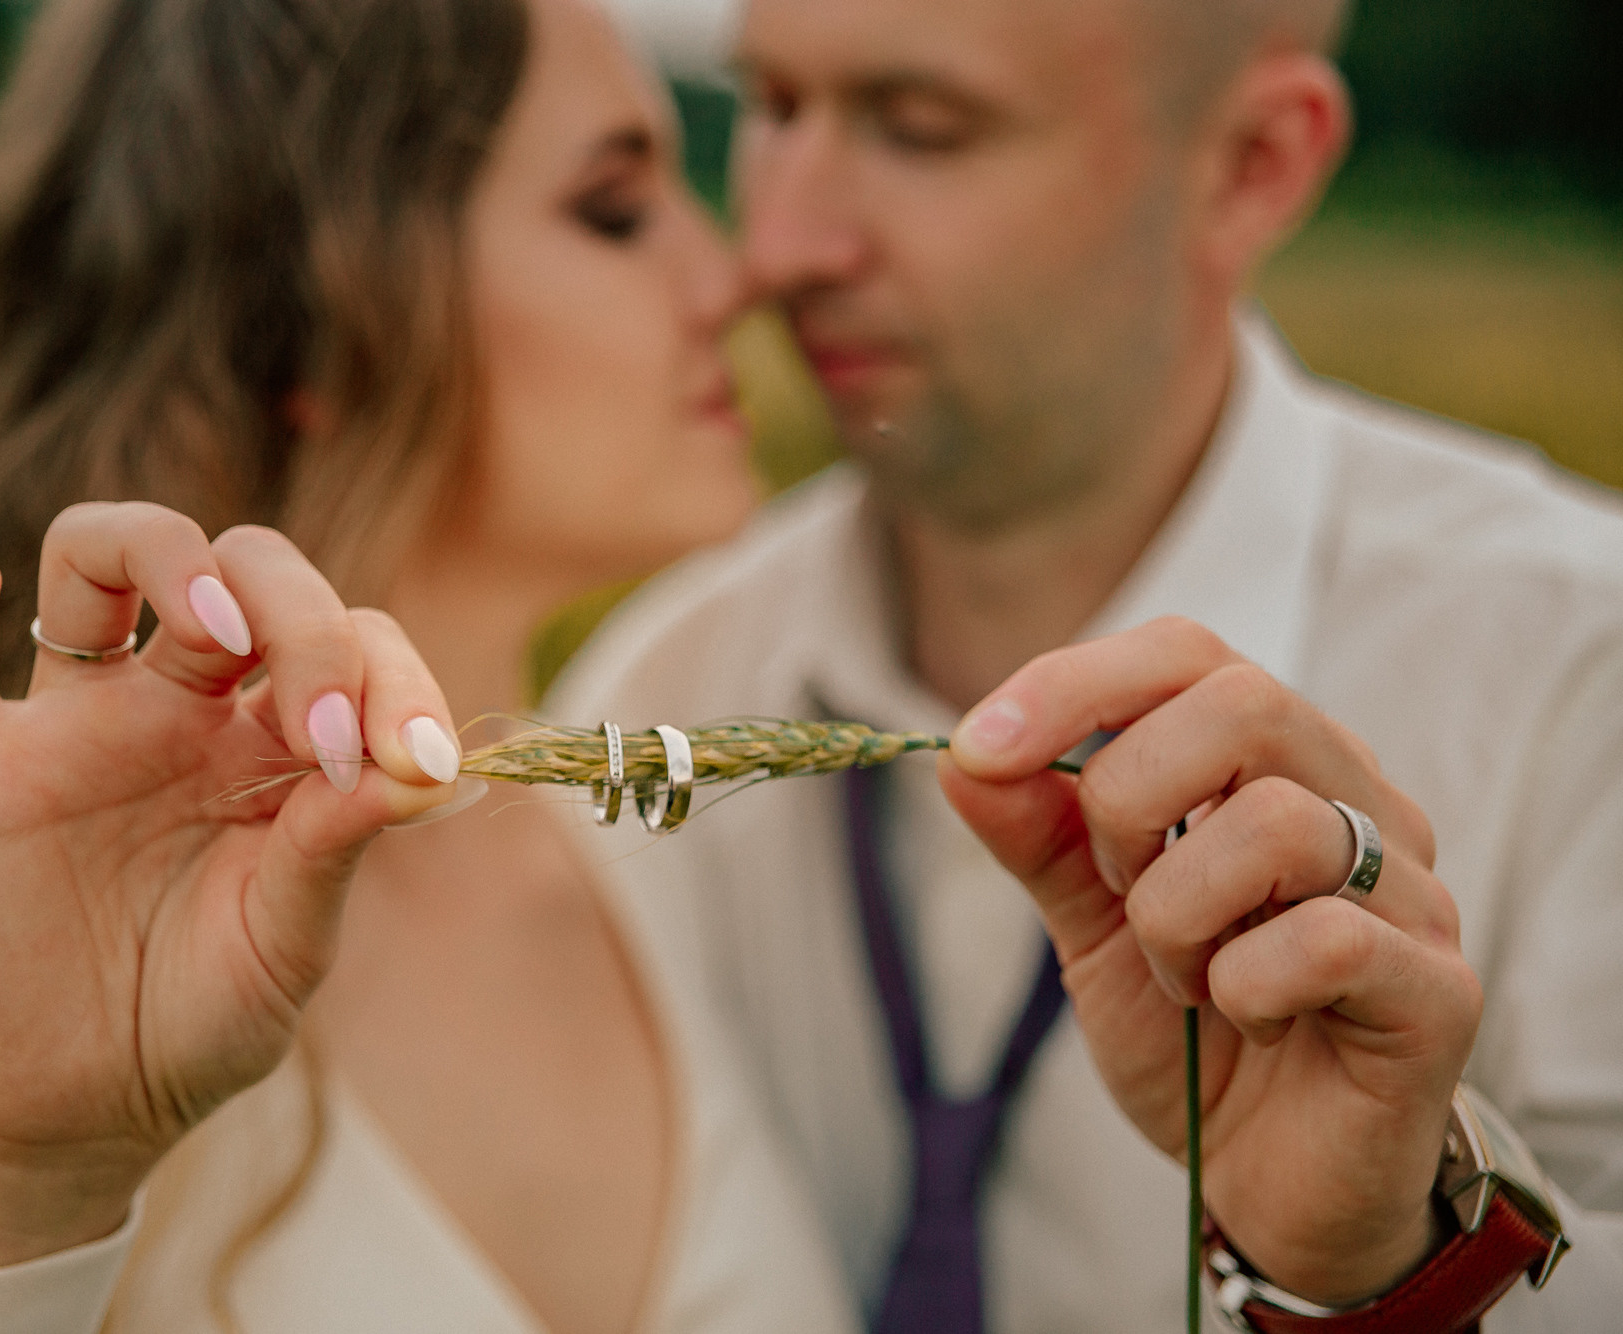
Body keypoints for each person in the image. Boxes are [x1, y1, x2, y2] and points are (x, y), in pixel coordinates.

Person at [0, 0, 871, 1330]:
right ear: (313, 313)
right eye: (614, 209)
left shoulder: (690, 843)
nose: (736, 276)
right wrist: (15, 1167)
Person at [553, 0, 1623, 1329]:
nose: (775, 245)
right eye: (771, 106)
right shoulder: (648, 700)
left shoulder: (1584, 672)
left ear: (1253, 166)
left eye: (922, 129)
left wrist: (1378, 1278)